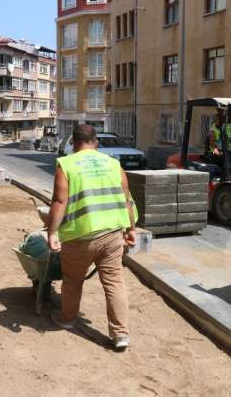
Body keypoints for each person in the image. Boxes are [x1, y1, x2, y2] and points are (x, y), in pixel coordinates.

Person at [47, 124, 137, 351]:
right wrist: (131, 229)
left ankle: (67, 319)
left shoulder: (66, 164)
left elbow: (59, 202)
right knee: (114, 282)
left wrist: (52, 232)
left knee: (73, 280)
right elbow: (126, 199)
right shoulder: (113, 164)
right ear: (96, 142)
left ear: (74, 144)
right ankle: (120, 334)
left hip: (80, 236)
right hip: (112, 235)